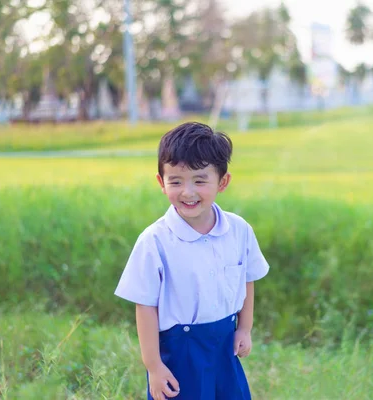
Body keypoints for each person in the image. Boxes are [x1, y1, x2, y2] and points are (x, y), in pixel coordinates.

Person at [114, 122, 270, 400]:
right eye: (176, 181)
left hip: (224, 343)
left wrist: (244, 328)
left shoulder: (239, 230)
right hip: (180, 351)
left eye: (200, 180)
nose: (188, 192)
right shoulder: (155, 241)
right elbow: (145, 306)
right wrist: (154, 366)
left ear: (222, 182)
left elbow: (247, 280)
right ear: (161, 182)